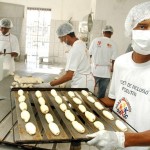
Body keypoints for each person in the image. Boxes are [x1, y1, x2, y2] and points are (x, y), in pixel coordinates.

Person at [86, 1, 150, 150]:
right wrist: (87, 103)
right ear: (131, 28)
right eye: (142, 26)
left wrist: (122, 139)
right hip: (114, 140)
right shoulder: (121, 62)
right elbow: (113, 100)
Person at [36, 22, 95, 92]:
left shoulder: (75, 49)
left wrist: (50, 84)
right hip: (86, 81)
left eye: (61, 38)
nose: (61, 41)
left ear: (66, 36)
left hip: (82, 84)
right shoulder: (81, 43)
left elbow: (69, 75)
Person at [89, 25, 118, 98]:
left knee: (90, 90)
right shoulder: (113, 44)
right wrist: (113, 70)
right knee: (101, 94)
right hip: (106, 72)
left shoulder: (95, 40)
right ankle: (100, 106)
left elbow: (89, 54)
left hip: (94, 70)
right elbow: (114, 60)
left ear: (103, 32)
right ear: (111, 33)